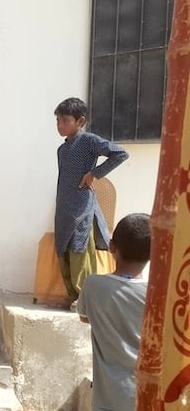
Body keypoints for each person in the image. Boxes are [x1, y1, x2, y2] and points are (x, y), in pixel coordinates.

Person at [77, 213, 150, 411]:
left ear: (112, 247)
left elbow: (84, 317)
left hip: (111, 394)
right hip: (151, 393)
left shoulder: (93, 286)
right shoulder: (158, 295)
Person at [54, 97, 129, 309]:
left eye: (65, 120)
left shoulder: (89, 141)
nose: (60, 125)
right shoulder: (62, 150)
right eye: (58, 121)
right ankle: (71, 295)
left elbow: (120, 154)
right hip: (63, 206)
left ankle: (84, 298)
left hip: (81, 207)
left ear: (80, 121)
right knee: (62, 250)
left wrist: (94, 174)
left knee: (79, 250)